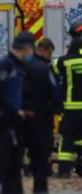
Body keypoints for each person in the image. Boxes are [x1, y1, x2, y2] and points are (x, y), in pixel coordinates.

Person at [0, 31, 36, 194]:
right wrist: (14, 112)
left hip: (11, 125)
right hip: (3, 125)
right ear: (27, 48)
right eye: (31, 49)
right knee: (0, 169)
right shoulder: (7, 65)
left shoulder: (16, 66)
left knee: (13, 171)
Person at [21, 37, 59, 193]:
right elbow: (54, 93)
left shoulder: (20, 67)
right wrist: (55, 108)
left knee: (26, 150)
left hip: (24, 118)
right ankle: (40, 188)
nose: (50, 57)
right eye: (49, 53)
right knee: (42, 153)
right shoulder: (44, 69)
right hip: (42, 118)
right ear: (43, 50)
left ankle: (26, 169)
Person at [52, 30, 82, 178]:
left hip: (70, 108)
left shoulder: (64, 61)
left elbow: (52, 69)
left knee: (66, 138)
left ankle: (64, 171)